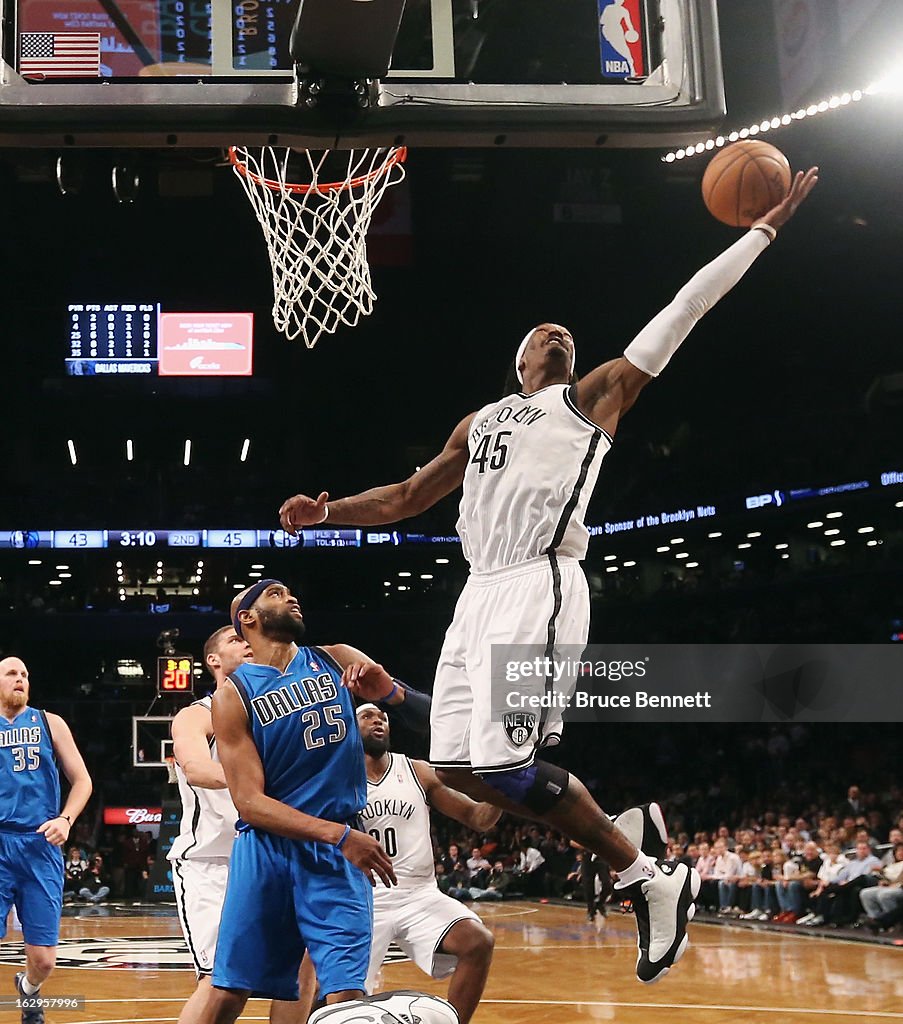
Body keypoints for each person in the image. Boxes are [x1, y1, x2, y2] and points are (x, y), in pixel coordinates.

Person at [278, 169, 820, 983]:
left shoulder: (595, 395)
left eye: (564, 332)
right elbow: (403, 497)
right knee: (461, 769)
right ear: (518, 361)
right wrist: (330, 514)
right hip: (476, 593)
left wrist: (759, 232)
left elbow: (685, 308)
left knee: (498, 768)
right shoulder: (480, 422)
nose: (555, 334)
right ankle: (624, 835)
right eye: (541, 333)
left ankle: (644, 872)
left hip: (541, 580)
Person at [201, 579, 425, 1024]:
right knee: (230, 990)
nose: (291, 597)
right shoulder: (232, 697)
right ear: (248, 618)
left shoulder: (335, 657)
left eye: (289, 592)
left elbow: (424, 715)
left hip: (337, 848)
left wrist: (389, 690)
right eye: (275, 594)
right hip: (269, 850)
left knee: (345, 993)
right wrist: (340, 836)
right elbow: (249, 803)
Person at [355, 703, 497, 1024]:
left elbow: (477, 817)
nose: (378, 720)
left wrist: (503, 788)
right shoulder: (338, 775)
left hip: (419, 896)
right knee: (333, 995)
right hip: (363, 900)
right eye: (367, 716)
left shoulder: (416, 770)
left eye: (383, 717)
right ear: (350, 727)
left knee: (478, 942)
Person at [0, 656, 93, 1024]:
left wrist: (66, 819)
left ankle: (28, 990)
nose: (20, 679)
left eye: (25, 674)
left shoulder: (49, 722)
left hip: (40, 846)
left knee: (43, 960)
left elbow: (83, 781)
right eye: (11, 673)